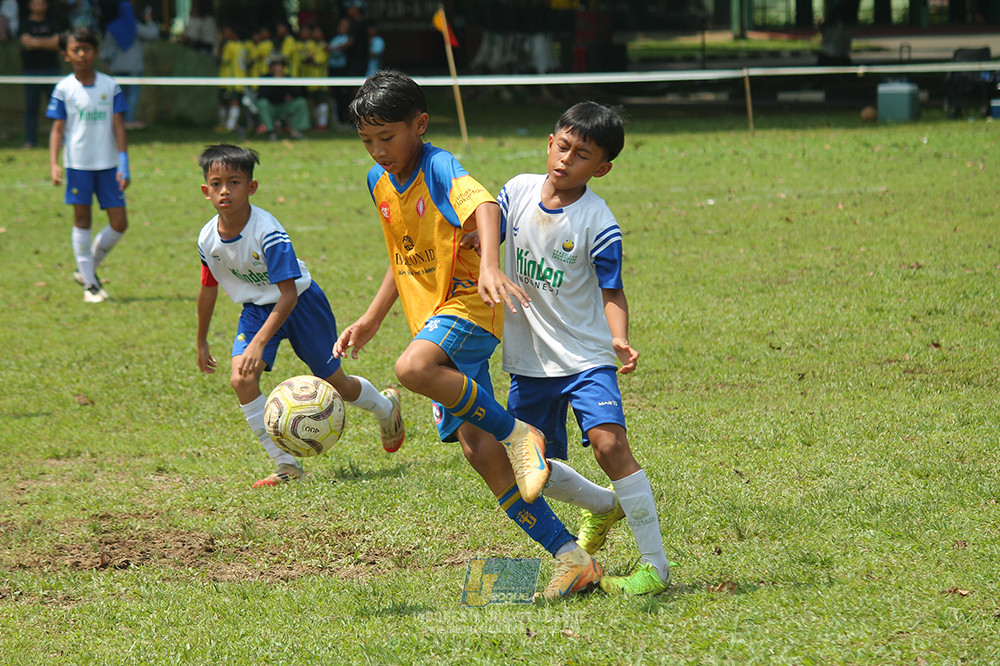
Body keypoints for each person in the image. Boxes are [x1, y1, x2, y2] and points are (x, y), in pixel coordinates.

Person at [333, 71, 602, 600]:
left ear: (420, 125)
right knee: (479, 452)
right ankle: (572, 558)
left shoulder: (436, 165)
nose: (377, 150)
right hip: (432, 317)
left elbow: (485, 206)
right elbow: (403, 254)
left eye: (387, 138)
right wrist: (370, 317)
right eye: (367, 140)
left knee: (411, 369)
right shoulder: (377, 181)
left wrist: (490, 267)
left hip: (470, 304)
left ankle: (521, 434)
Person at [494, 102, 670, 595]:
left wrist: (619, 337)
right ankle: (602, 505)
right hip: (529, 363)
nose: (567, 160)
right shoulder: (516, 191)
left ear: (602, 168)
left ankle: (655, 568)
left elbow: (612, 290)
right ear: (550, 142)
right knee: (532, 469)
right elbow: (480, 233)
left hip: (586, 357)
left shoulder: (598, 221)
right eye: (563, 146)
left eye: (582, 155)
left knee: (610, 444)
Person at [196, 144, 405, 488]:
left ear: (251, 188)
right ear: (206, 191)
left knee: (337, 382)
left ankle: (385, 408)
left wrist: (259, 342)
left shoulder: (267, 232)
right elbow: (207, 287)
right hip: (256, 310)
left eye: (234, 182)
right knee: (241, 379)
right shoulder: (207, 239)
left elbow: (288, 294)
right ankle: (286, 465)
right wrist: (202, 339)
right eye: (216, 183)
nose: (224, 191)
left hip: (302, 305)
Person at [46, 26, 130, 304]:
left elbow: (119, 126)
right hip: (78, 166)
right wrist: (54, 164)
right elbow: (58, 129)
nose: (82, 54)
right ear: (66, 55)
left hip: (108, 166)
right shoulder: (64, 89)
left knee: (119, 222)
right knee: (82, 220)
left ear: (95, 51)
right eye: (75, 50)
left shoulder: (110, 85)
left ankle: (86, 269)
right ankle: (90, 286)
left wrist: (123, 162)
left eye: (87, 49)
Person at [100, 1, 159, 130]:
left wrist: (106, 62)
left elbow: (107, 50)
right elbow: (153, 34)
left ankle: (120, 121)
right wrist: (149, 21)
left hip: (117, 66)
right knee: (133, 94)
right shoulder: (135, 26)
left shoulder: (112, 28)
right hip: (134, 67)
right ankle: (129, 120)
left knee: (119, 95)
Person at [20, 0, 61, 149]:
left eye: (42, 3)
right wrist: (48, 42)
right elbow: (26, 42)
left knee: (57, 106)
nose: (39, 7)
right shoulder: (24, 23)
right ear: (30, 5)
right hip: (31, 70)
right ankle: (30, 140)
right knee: (32, 108)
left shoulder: (53, 23)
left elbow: (57, 43)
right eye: (36, 3)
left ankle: (60, 139)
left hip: (52, 70)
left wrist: (35, 42)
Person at [254, 53, 309, 140]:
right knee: (262, 103)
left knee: (301, 102)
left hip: (284, 105)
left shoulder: (287, 78)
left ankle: (295, 131)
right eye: (275, 65)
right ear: (271, 67)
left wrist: (284, 83)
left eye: (281, 65)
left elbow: (296, 94)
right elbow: (261, 95)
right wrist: (275, 82)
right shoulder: (265, 77)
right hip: (270, 107)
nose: (278, 68)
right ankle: (270, 131)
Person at [215, 24, 246, 133]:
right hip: (239, 78)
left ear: (233, 32)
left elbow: (221, 59)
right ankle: (228, 125)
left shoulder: (229, 45)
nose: (224, 34)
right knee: (228, 102)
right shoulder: (242, 46)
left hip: (231, 80)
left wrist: (218, 43)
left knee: (231, 102)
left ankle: (229, 127)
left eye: (226, 31)